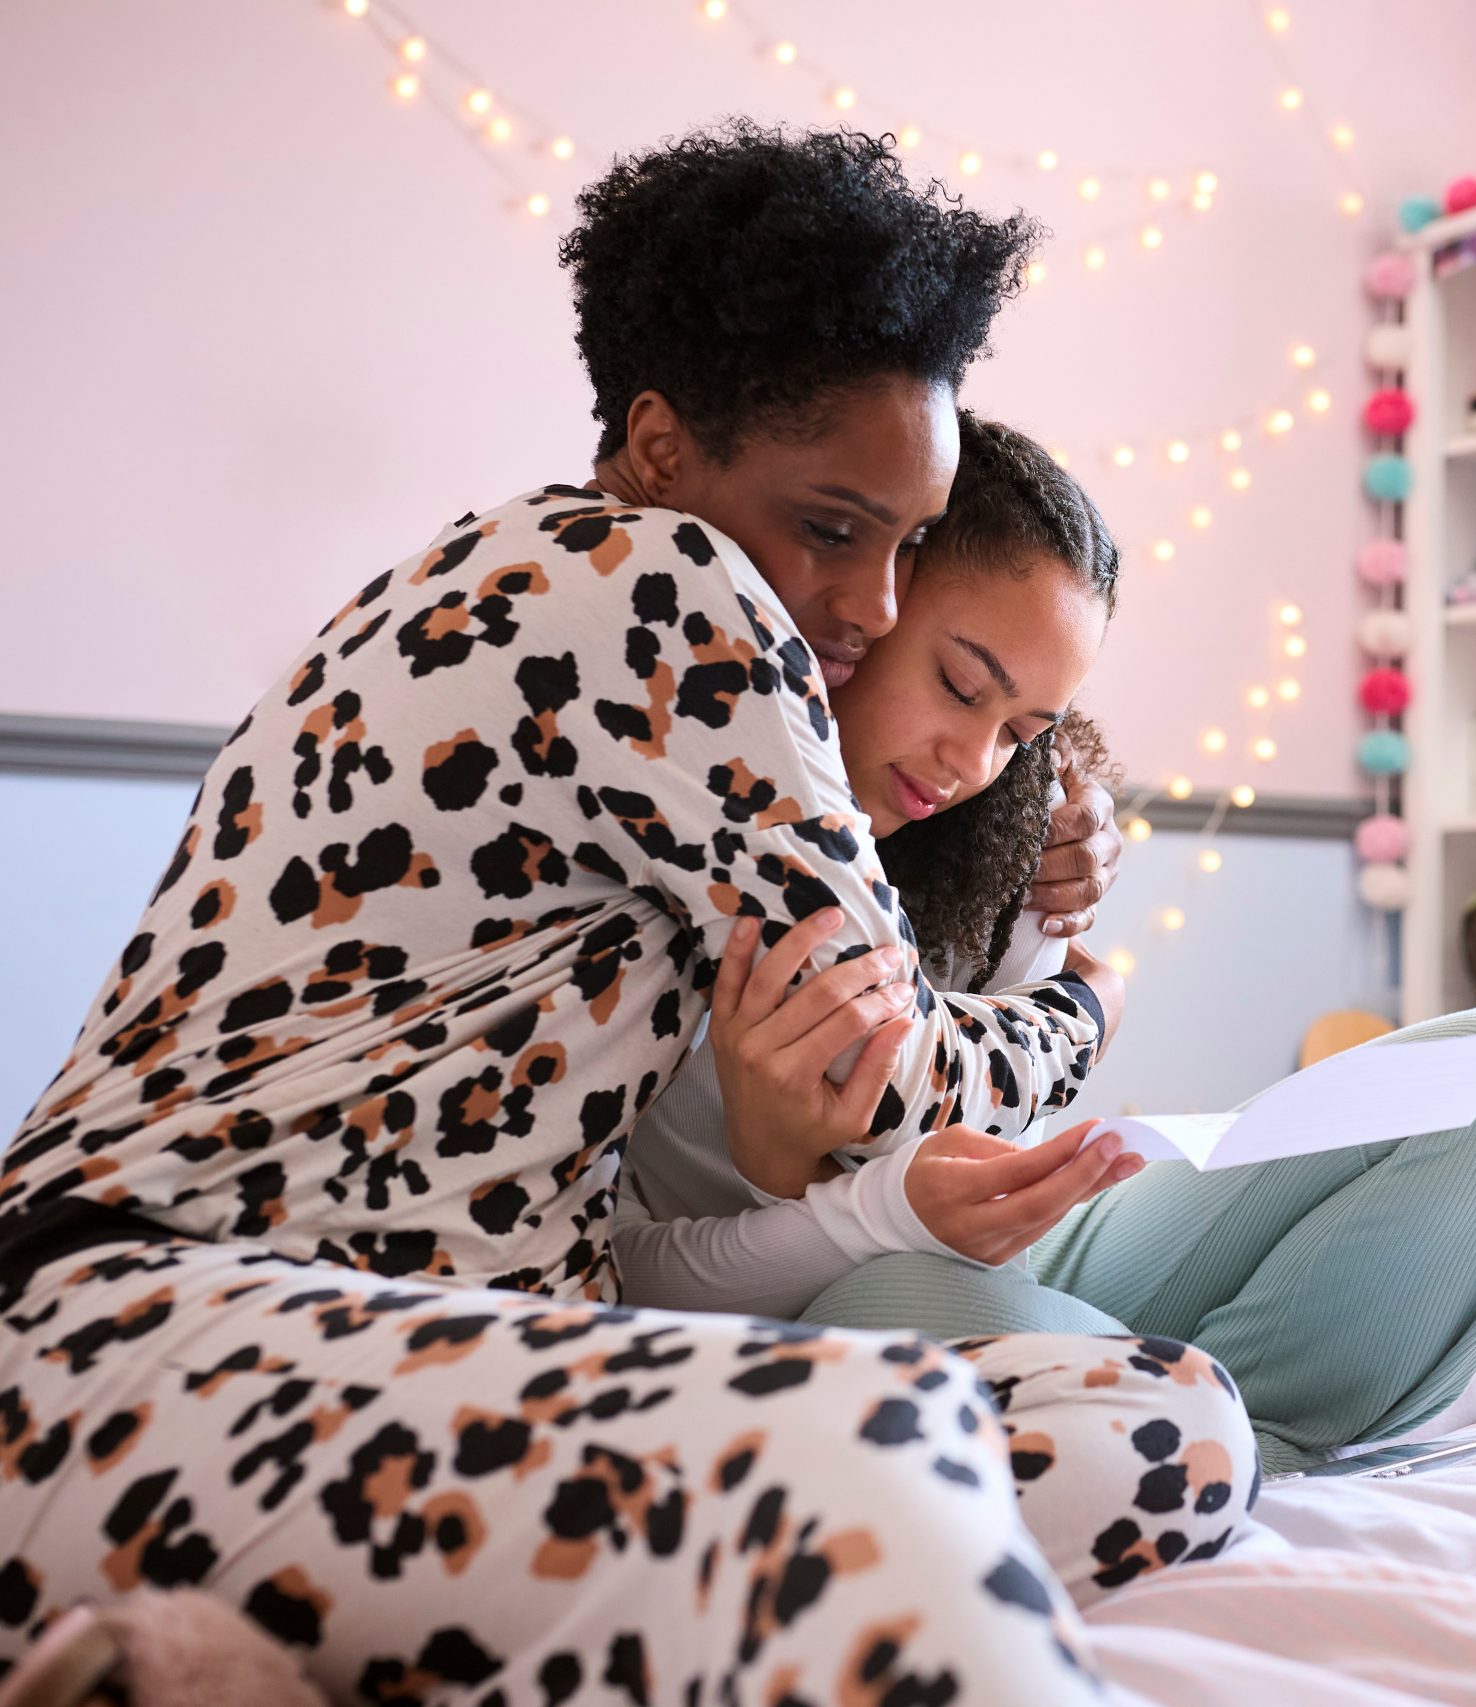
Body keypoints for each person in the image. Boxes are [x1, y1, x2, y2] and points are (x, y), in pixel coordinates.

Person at [0, 123, 1252, 1702]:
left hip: (447, 1354)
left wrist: (1056, 822)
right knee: (885, 1456)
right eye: (835, 526)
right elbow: (898, 1065)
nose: (872, 602)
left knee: (1166, 1426)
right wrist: (1089, 1006)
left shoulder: (522, 583)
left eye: (910, 541)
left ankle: (263, 1657)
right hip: (143, 1327)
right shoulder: (652, 587)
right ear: (660, 451)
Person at [617, 414, 1476, 1488]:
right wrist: (796, 1184)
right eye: (960, 687)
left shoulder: (1007, 833)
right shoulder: (678, 847)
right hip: (835, 1295)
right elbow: (633, 1285)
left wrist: (1076, 997)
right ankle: (1286, 1418)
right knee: (894, 1306)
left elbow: (1008, 1120)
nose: (969, 762)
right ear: (862, 615)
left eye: (1022, 728)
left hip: (1048, 1245)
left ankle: (1241, 1421)